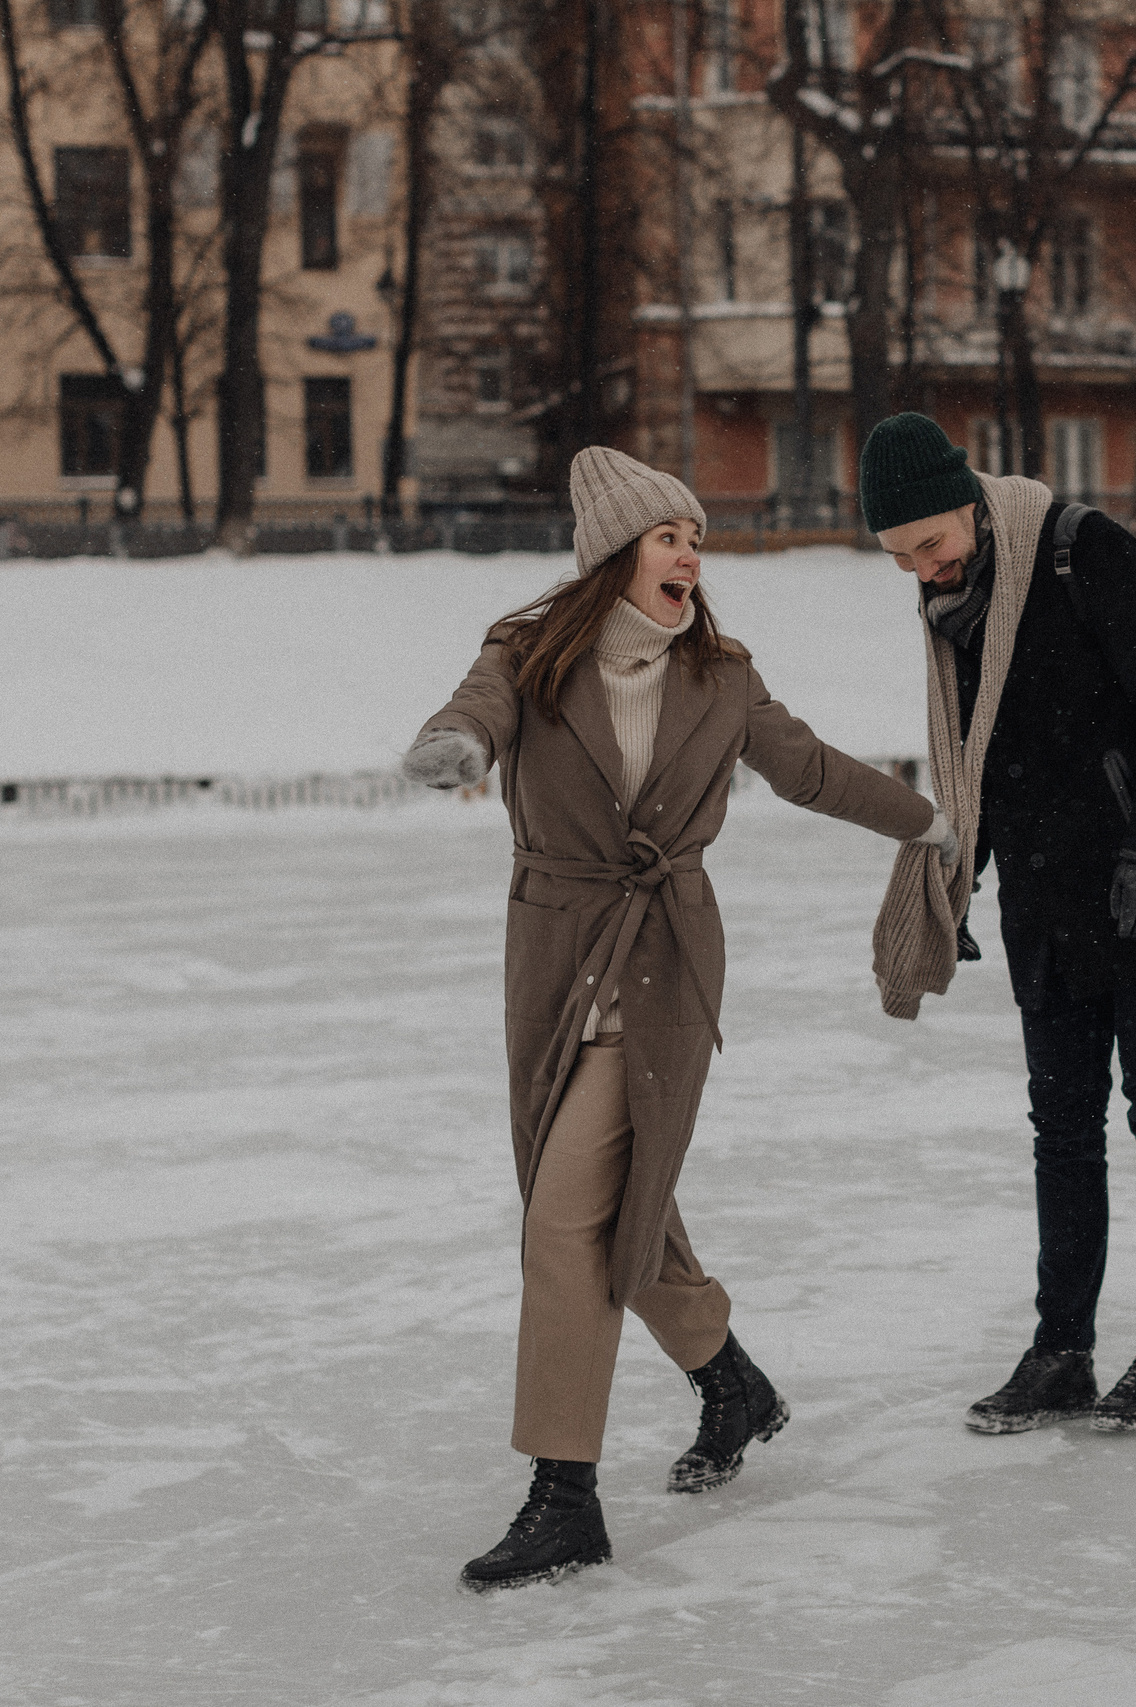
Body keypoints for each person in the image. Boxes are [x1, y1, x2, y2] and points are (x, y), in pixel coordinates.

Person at [404, 446, 958, 1593]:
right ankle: (730, 1382)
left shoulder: (721, 676)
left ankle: (564, 1496)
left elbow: (809, 770)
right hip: (555, 956)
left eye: (697, 540)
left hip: (664, 964)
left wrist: (928, 822)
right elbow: (480, 710)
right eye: (670, 537)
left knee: (565, 1218)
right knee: (627, 1203)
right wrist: (456, 747)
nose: (691, 557)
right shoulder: (527, 651)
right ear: (617, 552)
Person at [860, 414, 1136, 1437]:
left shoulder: (1086, 551)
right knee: (1063, 1129)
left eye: (929, 543)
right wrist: (958, 885)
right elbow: (984, 760)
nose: (922, 569)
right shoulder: (953, 608)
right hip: (1046, 896)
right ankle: (1062, 1353)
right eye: (900, 557)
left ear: (967, 501)